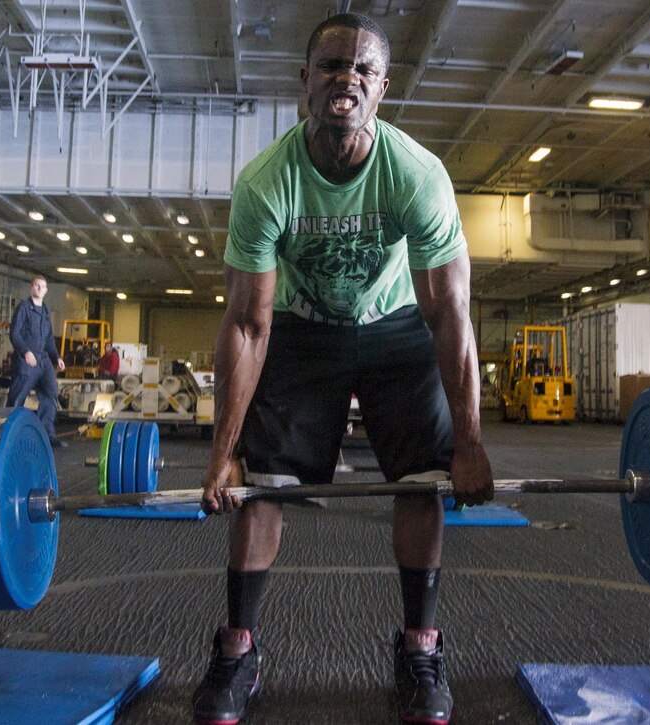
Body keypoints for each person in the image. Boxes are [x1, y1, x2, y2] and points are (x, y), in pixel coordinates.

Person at [192, 13, 494, 725]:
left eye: (362, 70)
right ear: (305, 81)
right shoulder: (268, 183)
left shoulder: (417, 176)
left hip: (394, 329)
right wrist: (221, 453)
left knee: (422, 481)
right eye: (331, 66)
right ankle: (238, 647)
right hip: (302, 329)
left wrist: (471, 441)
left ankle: (420, 647)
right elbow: (246, 322)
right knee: (259, 488)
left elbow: (450, 314)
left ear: (383, 88)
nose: (346, 79)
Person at [8, 275, 67, 448]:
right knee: (17, 398)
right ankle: (10, 435)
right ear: (31, 288)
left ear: (46, 290)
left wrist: (56, 357)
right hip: (26, 360)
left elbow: (48, 338)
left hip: (43, 360)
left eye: (43, 287)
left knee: (51, 393)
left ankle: (47, 435)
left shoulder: (46, 312)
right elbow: (14, 334)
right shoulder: (24, 308)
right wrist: (25, 351)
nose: (40, 289)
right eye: (37, 286)